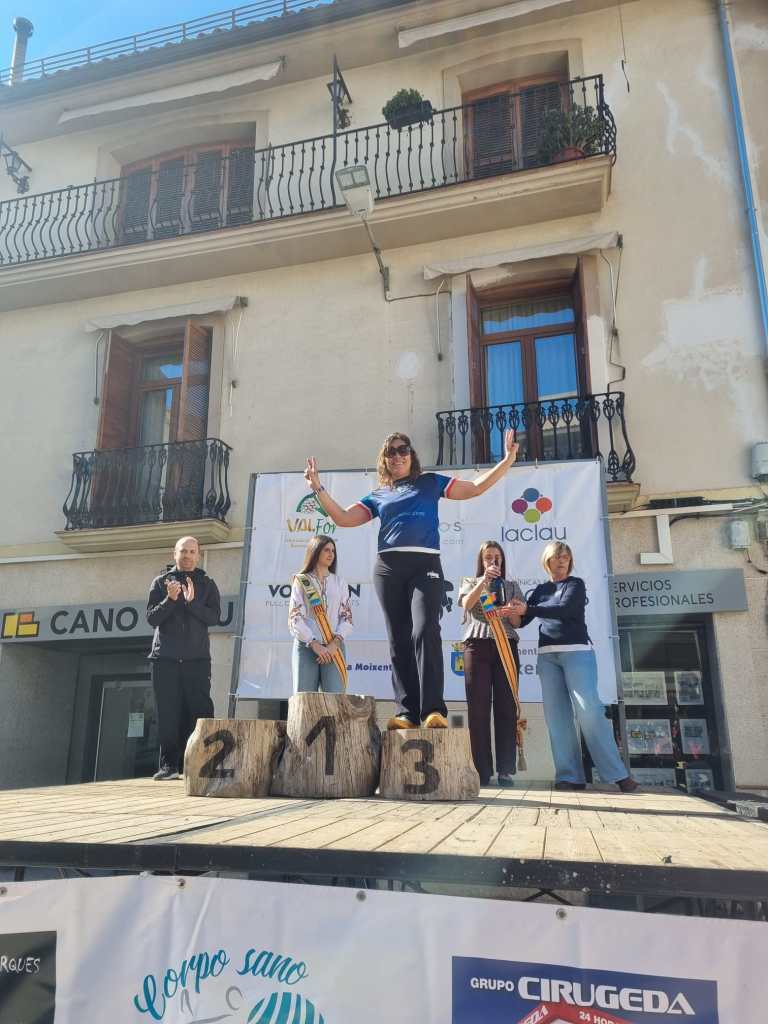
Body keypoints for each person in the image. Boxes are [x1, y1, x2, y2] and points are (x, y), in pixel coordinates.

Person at [304, 429, 519, 730]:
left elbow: (474, 489)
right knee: (399, 638)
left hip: (425, 564)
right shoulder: (379, 494)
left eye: (402, 449)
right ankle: (406, 712)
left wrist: (507, 460)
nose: (397, 456)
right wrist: (317, 487)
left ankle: (433, 710)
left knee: (426, 629)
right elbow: (343, 518)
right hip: (388, 568)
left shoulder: (429, 482)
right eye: (390, 452)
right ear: (384, 460)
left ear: (411, 454)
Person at [509, 541, 638, 793]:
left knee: (589, 712)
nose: (562, 561)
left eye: (566, 557)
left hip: (577, 652)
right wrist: (512, 609)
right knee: (557, 718)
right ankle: (569, 777)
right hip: (547, 657)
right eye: (557, 557)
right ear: (547, 561)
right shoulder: (540, 590)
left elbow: (565, 609)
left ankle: (618, 774)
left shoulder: (575, 585)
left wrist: (528, 608)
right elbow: (522, 621)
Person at [146, 536, 220, 781]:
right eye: (183, 551)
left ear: (198, 555)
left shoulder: (208, 584)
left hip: (197, 660)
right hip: (164, 659)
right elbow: (152, 618)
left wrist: (191, 603)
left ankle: (201, 763)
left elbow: (214, 618)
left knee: (200, 711)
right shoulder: (160, 583)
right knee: (168, 713)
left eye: (191, 551)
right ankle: (169, 766)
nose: (187, 555)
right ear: (174, 553)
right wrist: (170, 599)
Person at [458, 541, 525, 787]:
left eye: (497, 556)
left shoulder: (512, 586)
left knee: (506, 707)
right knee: (478, 708)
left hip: (506, 645)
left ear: (502, 559)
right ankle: (481, 770)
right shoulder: (470, 581)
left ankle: (505, 770)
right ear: (481, 561)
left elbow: (517, 623)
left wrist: (512, 612)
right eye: (488, 557)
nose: (493, 560)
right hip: (477, 646)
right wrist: (484, 581)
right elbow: (467, 605)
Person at [288, 536, 354, 693]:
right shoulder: (302, 581)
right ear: (315, 551)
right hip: (307, 646)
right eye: (326, 550)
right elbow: (295, 618)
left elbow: (347, 618)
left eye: (333, 551)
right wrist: (314, 643)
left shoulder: (340, 582)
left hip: (334, 647)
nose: (331, 554)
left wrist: (334, 644)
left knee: (335, 700)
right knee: (305, 700)